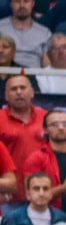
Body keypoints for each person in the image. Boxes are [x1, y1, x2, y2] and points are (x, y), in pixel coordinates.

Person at [0, 74, 46, 202]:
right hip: (7, 196)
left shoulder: (46, 117)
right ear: (6, 95)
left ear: (32, 92)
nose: (19, 92)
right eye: (14, 89)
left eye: (22, 88)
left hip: (42, 193)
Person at [0, 0, 51, 69]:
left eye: (26, 1)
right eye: (17, 1)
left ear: (33, 3)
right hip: (5, 77)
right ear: (11, 4)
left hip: (34, 78)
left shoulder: (44, 33)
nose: (22, 5)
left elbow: (48, 67)